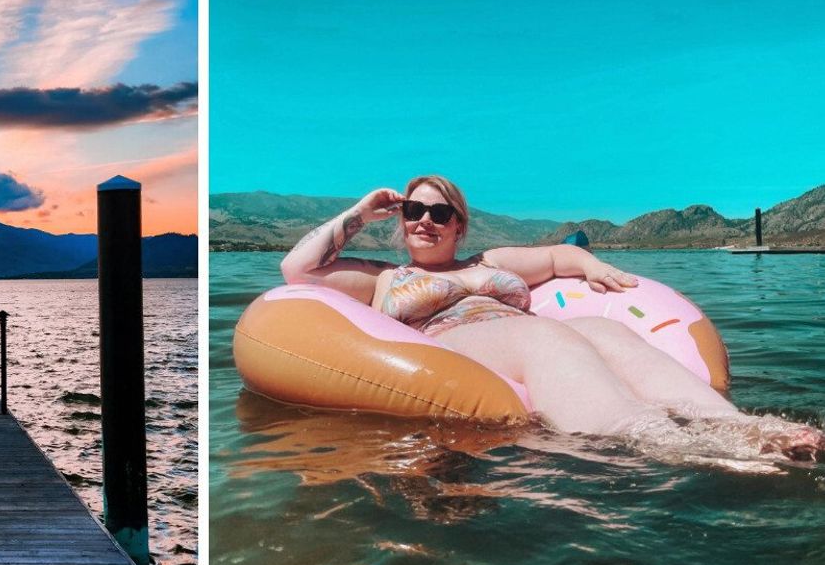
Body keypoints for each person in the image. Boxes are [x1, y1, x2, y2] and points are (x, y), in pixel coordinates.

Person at [281, 174, 823, 460]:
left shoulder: (488, 262)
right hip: (457, 346)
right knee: (543, 335)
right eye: (413, 211)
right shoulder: (383, 276)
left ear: (459, 225)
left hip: (528, 335)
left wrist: (594, 266)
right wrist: (357, 213)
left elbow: (560, 256)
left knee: (603, 329)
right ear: (400, 221)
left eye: (440, 212)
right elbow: (298, 269)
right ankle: (662, 440)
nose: (426, 221)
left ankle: (740, 427)